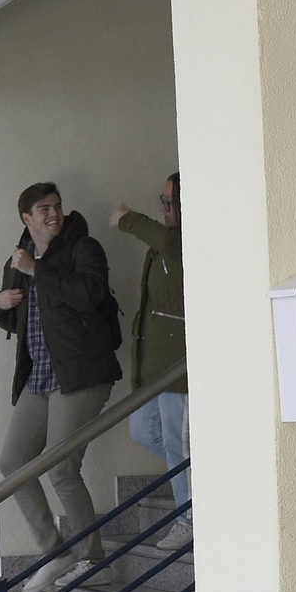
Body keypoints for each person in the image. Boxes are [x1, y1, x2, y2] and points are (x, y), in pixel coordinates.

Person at [0, 182, 123, 592]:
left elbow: (89, 294)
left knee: (62, 466)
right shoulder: (20, 258)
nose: (53, 214)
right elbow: (15, 320)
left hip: (81, 375)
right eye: (43, 208)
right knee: (13, 463)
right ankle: (57, 550)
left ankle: (93, 559)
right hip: (41, 376)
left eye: (57, 206)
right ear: (26, 217)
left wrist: (38, 271)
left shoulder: (84, 248)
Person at [112, 172, 190, 549]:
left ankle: (190, 514)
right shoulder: (163, 243)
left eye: (169, 202)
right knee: (144, 430)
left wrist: (128, 218)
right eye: (162, 201)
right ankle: (202, 482)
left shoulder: (186, 242)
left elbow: (171, 244)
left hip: (179, 366)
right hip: (154, 367)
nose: (163, 208)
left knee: (178, 443)